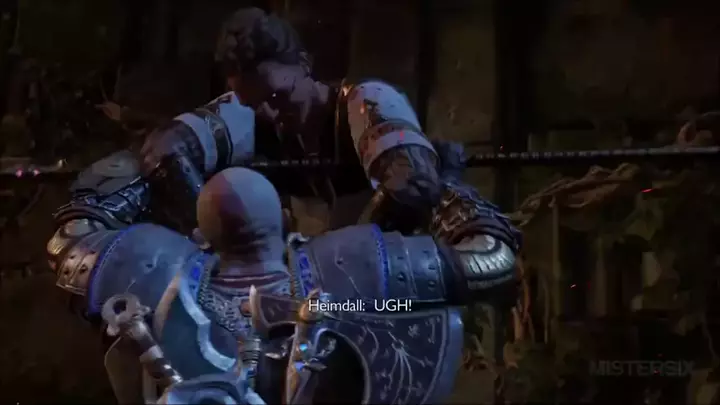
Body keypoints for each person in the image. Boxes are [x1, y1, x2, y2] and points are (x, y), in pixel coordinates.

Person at [47, 165, 520, 404]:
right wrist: (444, 186)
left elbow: (69, 241)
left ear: (200, 236)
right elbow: (489, 259)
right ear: (287, 223)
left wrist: (135, 170)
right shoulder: (355, 271)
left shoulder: (155, 272)